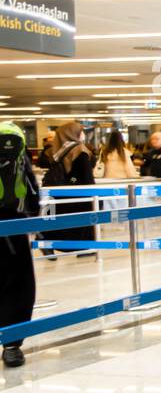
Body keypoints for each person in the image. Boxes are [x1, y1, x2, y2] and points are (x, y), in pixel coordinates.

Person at [0, 121, 40, 367]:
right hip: (14, 228)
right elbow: (32, 190)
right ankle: (12, 346)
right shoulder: (17, 147)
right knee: (18, 284)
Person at [39, 121, 96, 255]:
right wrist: (93, 192)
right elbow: (85, 175)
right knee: (81, 219)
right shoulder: (79, 150)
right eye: (80, 131)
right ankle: (83, 248)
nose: (82, 134)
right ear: (73, 133)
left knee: (56, 217)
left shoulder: (56, 149)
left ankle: (47, 240)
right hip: (77, 193)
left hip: (57, 190)